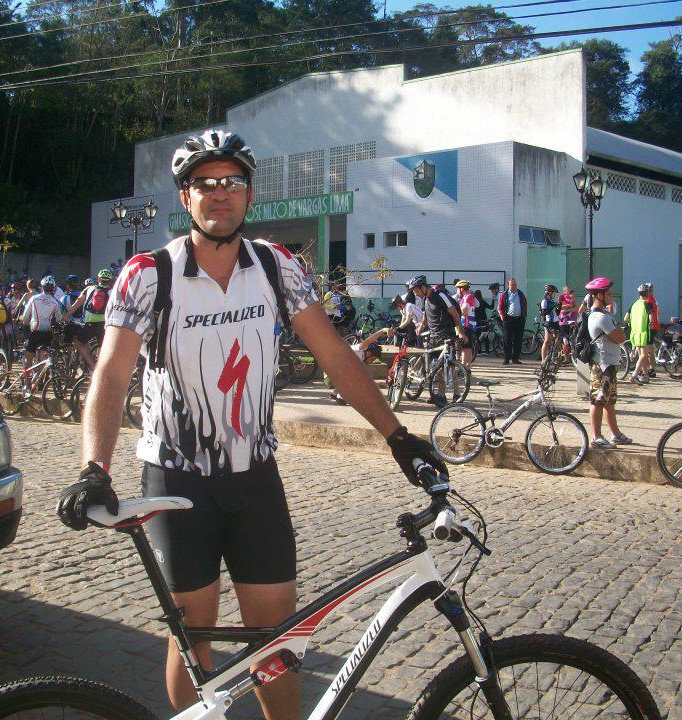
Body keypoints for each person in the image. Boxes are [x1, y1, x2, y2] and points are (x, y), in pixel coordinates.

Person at [55, 129, 446, 720]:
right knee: (194, 637)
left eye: (232, 182)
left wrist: (399, 437)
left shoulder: (275, 266)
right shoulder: (149, 274)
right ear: (185, 197)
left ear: (249, 194)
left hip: (255, 476)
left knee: (277, 641)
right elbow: (110, 374)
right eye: (204, 184)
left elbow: (334, 354)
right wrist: (94, 468)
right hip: (177, 479)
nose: (219, 194)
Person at [584, 277, 633, 448]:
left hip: (609, 365)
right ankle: (596, 437)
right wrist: (617, 328)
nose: (611, 296)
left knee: (609, 401)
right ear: (600, 295)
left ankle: (616, 434)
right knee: (598, 401)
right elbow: (620, 338)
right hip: (602, 366)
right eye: (609, 293)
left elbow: (618, 336)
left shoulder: (604, 315)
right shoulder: (601, 317)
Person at [408, 273, 468, 405]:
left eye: (416, 290)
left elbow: (455, 314)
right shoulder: (426, 299)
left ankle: (455, 394)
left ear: (423, 287)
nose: (415, 293)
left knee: (448, 366)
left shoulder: (440, 295)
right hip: (433, 336)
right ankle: (439, 395)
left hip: (446, 335)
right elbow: (426, 315)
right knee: (433, 367)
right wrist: (421, 327)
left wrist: (460, 332)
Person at [63, 268, 114, 371]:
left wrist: (65, 317)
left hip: (90, 323)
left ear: (98, 279)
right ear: (109, 281)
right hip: (104, 324)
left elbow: (77, 304)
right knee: (103, 348)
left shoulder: (89, 289)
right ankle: (102, 369)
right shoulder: (112, 292)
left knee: (79, 343)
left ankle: (93, 366)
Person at [329, 327, 390, 404]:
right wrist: (383, 330)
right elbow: (370, 340)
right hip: (334, 369)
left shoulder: (362, 361)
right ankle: (342, 396)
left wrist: (378, 384)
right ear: (369, 353)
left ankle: (336, 392)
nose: (373, 361)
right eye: (373, 359)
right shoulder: (361, 349)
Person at [20, 275, 63, 366]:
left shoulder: (34, 299)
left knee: (28, 355)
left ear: (42, 287)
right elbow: (59, 318)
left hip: (34, 331)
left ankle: (27, 374)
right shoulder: (55, 302)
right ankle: (41, 372)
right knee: (43, 354)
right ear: (53, 289)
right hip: (47, 333)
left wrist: (24, 324)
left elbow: (25, 316)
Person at [625, 284, 653, 385]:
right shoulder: (647, 304)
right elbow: (651, 319)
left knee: (641, 355)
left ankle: (645, 376)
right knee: (644, 355)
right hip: (643, 332)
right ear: (647, 293)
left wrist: (633, 323)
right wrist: (651, 324)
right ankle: (634, 375)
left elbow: (626, 318)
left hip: (634, 332)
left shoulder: (634, 303)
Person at [497, 277, 527, 365]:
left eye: (515, 284)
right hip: (508, 319)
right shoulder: (504, 294)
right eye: (512, 284)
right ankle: (506, 358)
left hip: (519, 319)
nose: (514, 286)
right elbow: (500, 306)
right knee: (507, 339)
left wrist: (524, 315)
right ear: (508, 285)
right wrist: (503, 316)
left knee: (518, 339)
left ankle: (515, 358)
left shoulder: (520, 293)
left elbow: (525, 304)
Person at [455, 280, 477, 366]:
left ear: (462, 289)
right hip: (469, 325)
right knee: (468, 347)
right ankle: (467, 367)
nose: (457, 291)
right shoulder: (467, 297)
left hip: (466, 325)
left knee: (465, 348)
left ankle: (464, 367)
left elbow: (464, 311)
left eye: (457, 289)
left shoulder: (467, 297)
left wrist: (455, 312)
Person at [539, 284, 560, 363]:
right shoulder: (544, 301)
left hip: (556, 322)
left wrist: (558, 308)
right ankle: (543, 360)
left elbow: (556, 313)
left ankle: (555, 358)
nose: (555, 295)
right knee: (547, 341)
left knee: (557, 341)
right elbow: (544, 313)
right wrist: (552, 306)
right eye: (554, 293)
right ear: (549, 293)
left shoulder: (552, 301)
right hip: (549, 323)